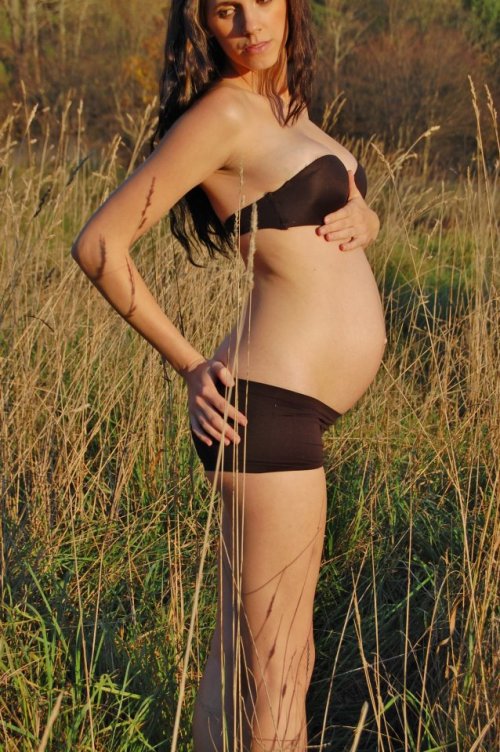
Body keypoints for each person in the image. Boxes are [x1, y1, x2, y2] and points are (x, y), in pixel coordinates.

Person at [71, 0, 386, 749]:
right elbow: (100, 244)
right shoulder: (224, 114)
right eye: (225, 11)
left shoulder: (286, 106)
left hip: (283, 409)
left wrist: (367, 217)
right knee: (281, 669)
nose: (250, 24)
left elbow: (326, 209)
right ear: (203, 25)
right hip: (265, 412)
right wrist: (189, 363)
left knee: (238, 659)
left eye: (261, 1)